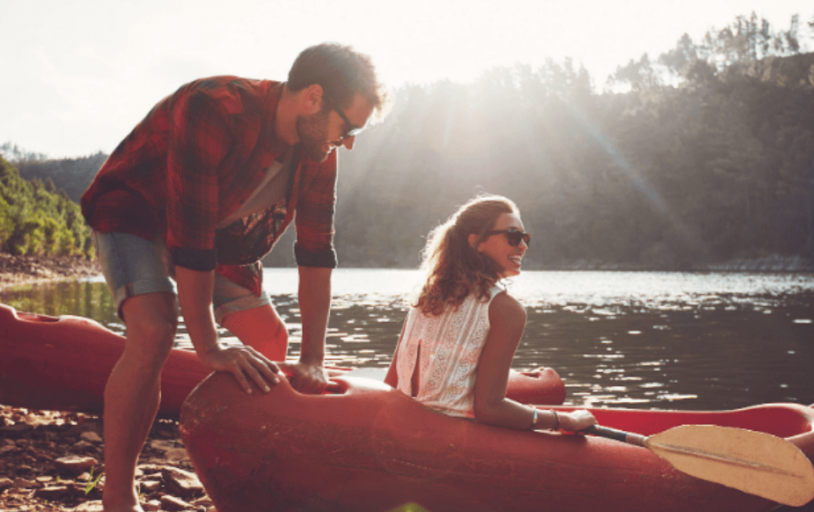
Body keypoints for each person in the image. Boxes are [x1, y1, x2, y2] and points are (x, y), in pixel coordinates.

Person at [80, 43, 386, 512]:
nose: (347, 141)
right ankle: (118, 495)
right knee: (155, 331)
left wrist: (313, 359)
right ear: (313, 98)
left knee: (271, 341)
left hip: (219, 235)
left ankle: (251, 478)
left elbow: (316, 255)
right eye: (348, 127)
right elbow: (190, 239)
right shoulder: (215, 108)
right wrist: (209, 349)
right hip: (136, 211)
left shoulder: (319, 153)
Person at [384, 195, 596, 432]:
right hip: (452, 440)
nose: (523, 246)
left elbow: (390, 386)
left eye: (525, 238)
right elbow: (490, 409)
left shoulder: (425, 297)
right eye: (513, 236)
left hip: (402, 427)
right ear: (477, 242)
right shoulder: (505, 310)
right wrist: (563, 420)